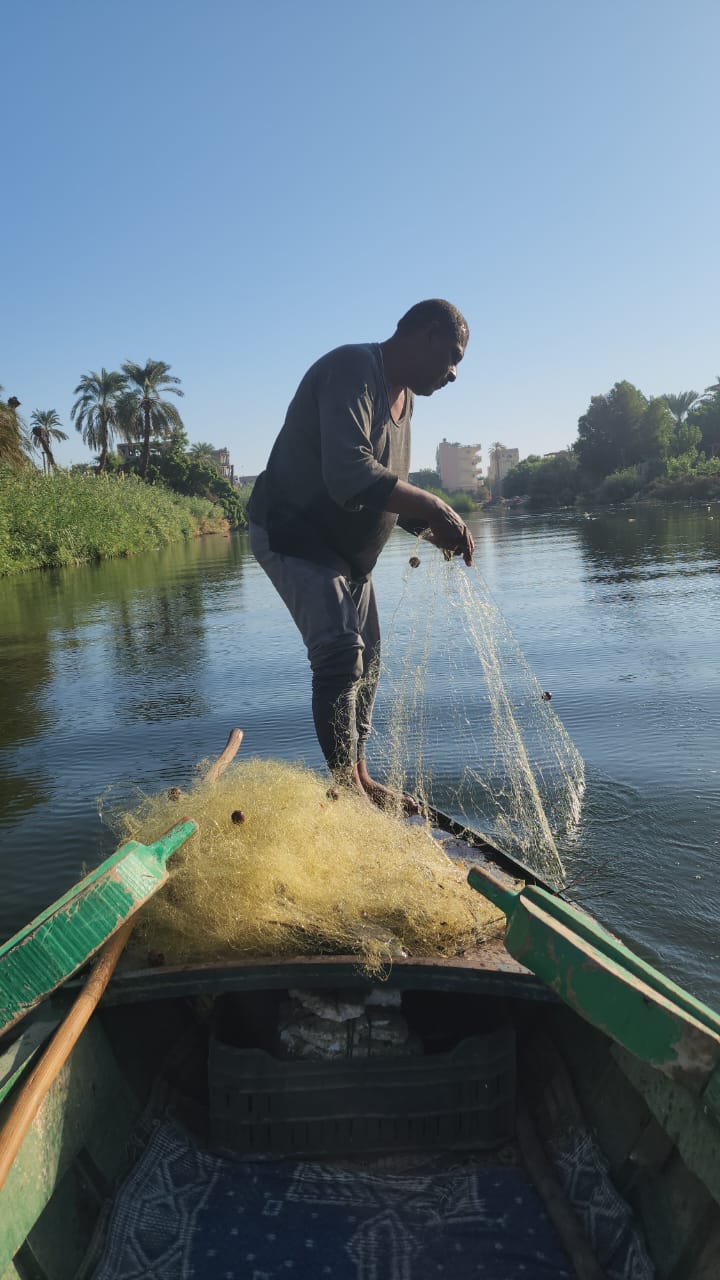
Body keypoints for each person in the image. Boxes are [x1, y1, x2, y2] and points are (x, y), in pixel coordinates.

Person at [247, 298, 474, 806]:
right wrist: (435, 505)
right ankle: (348, 787)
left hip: (347, 552)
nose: (454, 373)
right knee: (339, 654)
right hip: (294, 533)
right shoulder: (353, 368)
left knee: (368, 660)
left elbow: (384, 486)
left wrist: (423, 523)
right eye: (452, 355)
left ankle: (360, 776)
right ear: (426, 334)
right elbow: (350, 473)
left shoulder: (405, 397)